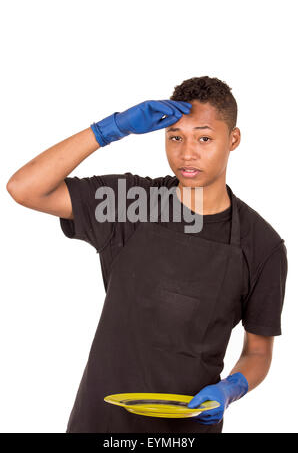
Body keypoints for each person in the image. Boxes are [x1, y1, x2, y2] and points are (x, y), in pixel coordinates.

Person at [6, 76, 288, 433]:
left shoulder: (262, 245)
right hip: (101, 421)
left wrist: (231, 389)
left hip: (187, 428)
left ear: (233, 140)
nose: (187, 153)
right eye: (175, 137)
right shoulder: (129, 203)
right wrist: (111, 128)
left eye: (204, 138)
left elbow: (258, 352)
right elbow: (24, 188)